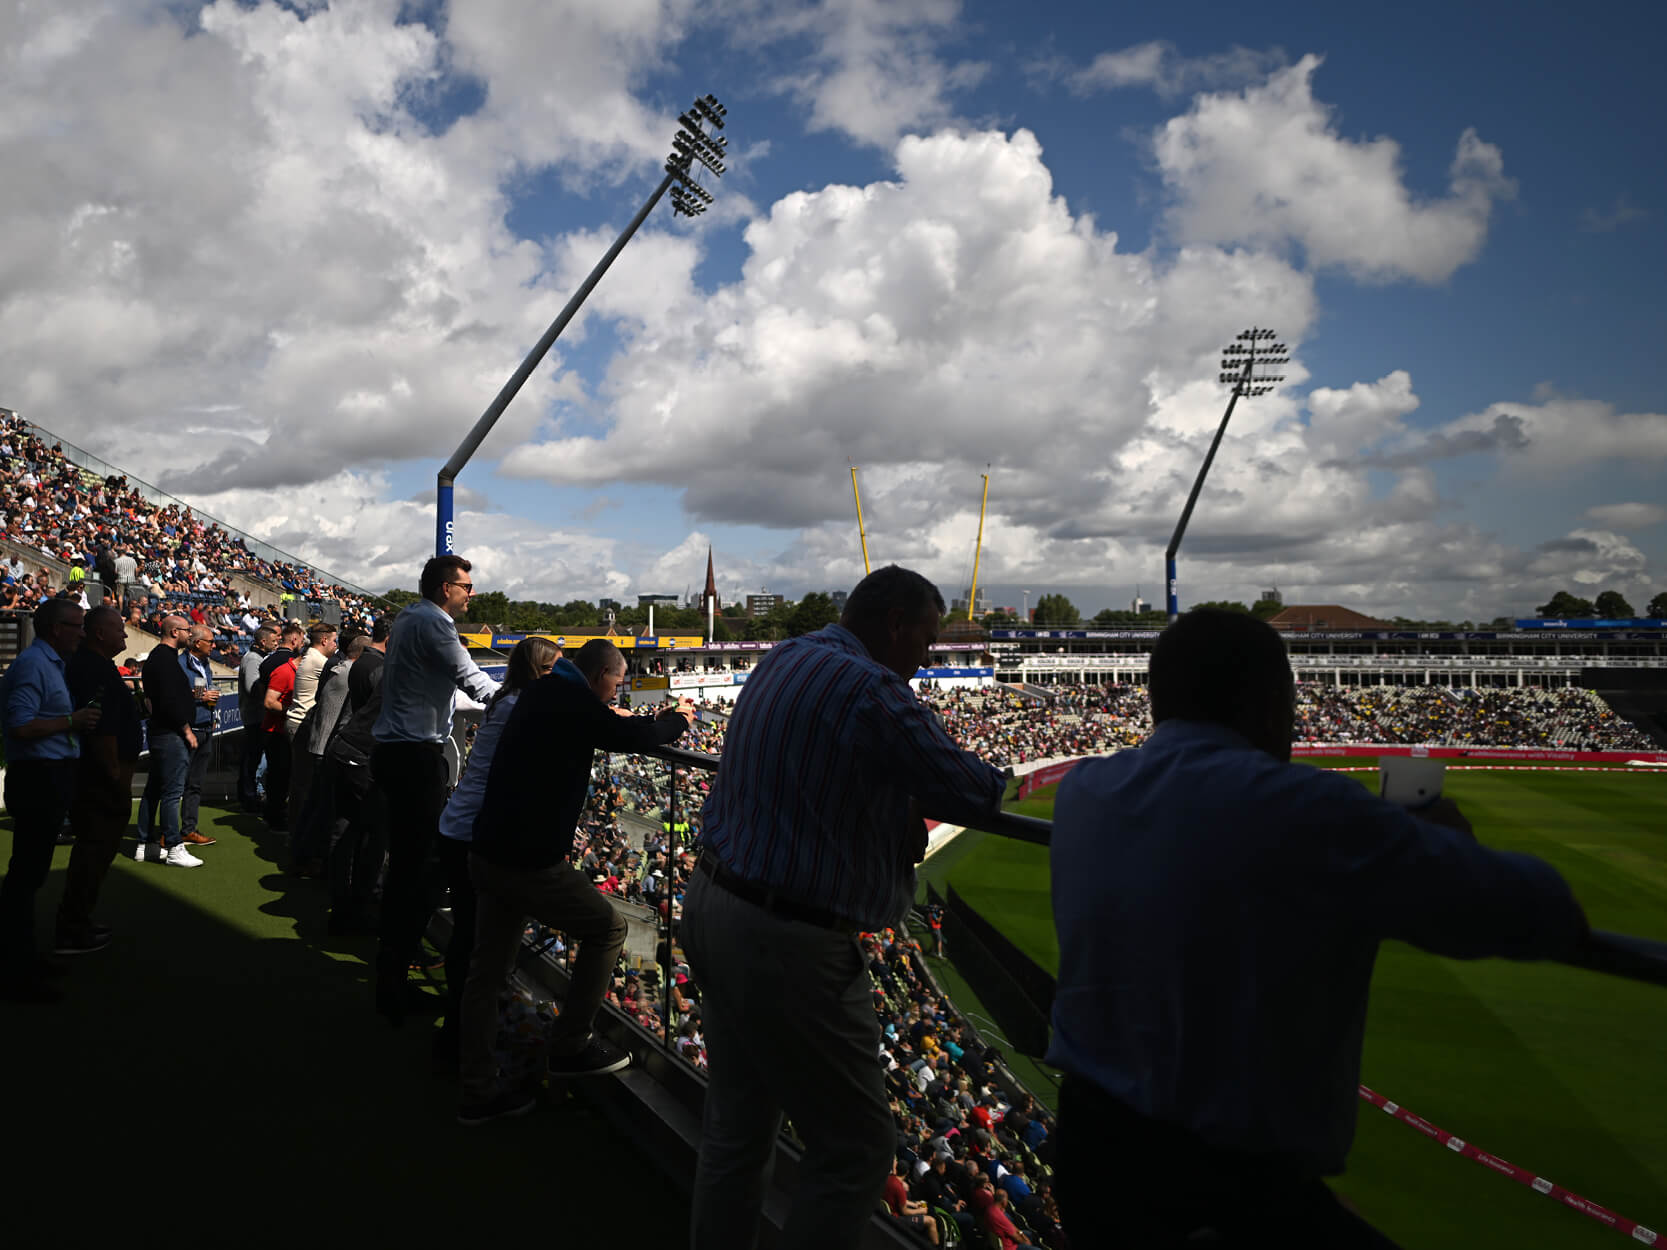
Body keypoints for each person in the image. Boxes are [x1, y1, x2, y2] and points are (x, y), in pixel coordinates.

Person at [1046, 609, 1591, 1249]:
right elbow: (1543, 912)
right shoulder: (1307, 807)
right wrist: (1435, 838)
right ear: (1269, 700)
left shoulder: (1083, 789)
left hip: (1091, 1154)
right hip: (1228, 1187)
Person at [683, 565, 1006, 1250]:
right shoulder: (872, 689)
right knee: (856, 1150)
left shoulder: (788, 656)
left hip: (715, 903)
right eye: (925, 639)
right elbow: (975, 790)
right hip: (788, 940)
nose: (926, 657)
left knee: (736, 1131)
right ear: (894, 624)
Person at [457, 639, 695, 1124]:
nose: (619, 689)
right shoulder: (570, 700)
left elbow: (606, 725)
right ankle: (569, 1044)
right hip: (528, 862)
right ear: (601, 674)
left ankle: (477, 1088)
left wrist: (627, 719)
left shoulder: (548, 694)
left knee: (486, 972)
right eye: (618, 680)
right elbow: (631, 739)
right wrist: (681, 720)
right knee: (607, 928)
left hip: (489, 850)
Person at [370, 556, 498, 1024]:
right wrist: (523, 697)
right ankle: (394, 986)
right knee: (417, 870)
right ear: (447, 588)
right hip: (414, 758)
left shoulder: (409, 617)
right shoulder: (436, 625)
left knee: (408, 868)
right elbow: (474, 680)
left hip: (397, 754)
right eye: (468, 586)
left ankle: (393, 974)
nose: (472, 594)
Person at [433, 635, 559, 1074]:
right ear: (539, 672)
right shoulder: (522, 707)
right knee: (479, 948)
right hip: (471, 834)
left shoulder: (507, 700)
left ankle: (459, 1034)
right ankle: (466, 1049)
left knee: (470, 941)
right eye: (553, 670)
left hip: (459, 827)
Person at [0, 598, 101, 1001]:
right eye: (77, 625)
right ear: (56, 628)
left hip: (48, 776)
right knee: (26, 878)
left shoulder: (48, 662)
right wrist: (71, 722)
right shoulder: (34, 665)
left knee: (31, 875)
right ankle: (16, 969)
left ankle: (24, 959)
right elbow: (20, 725)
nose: (82, 632)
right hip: (37, 778)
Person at [55, 605, 140, 955]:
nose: (125, 634)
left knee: (96, 854)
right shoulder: (91, 668)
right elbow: (99, 726)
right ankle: (72, 928)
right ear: (100, 634)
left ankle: (79, 920)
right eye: (120, 629)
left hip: (103, 775)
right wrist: (114, 772)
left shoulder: (99, 666)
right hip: (100, 779)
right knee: (93, 852)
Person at [326, 614, 391, 935]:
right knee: (370, 838)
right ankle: (357, 910)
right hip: (360, 757)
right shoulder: (385, 669)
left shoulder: (367, 664)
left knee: (347, 831)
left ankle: (343, 907)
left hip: (349, 750)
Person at [134, 614, 204, 867]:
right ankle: (174, 846)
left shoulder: (161, 658)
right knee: (172, 793)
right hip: (170, 734)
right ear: (175, 632)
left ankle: (145, 844)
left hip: (164, 732)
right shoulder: (163, 659)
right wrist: (186, 730)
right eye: (187, 631)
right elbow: (168, 701)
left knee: (154, 789)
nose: (190, 635)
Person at [285, 621, 337, 839]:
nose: (336, 645)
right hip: (302, 724)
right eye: (334, 640)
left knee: (302, 784)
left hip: (299, 723)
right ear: (324, 640)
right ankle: (298, 835)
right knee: (303, 786)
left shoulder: (312, 657)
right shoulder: (318, 660)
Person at [258, 620, 305, 831]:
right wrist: (293, 711)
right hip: (275, 731)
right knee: (278, 775)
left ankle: (275, 814)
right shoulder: (284, 671)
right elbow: (269, 701)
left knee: (282, 775)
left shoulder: (275, 664)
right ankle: (274, 817)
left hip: (279, 729)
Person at [178, 623, 219, 846]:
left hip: (205, 727)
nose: (213, 645)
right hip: (188, 729)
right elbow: (175, 694)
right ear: (196, 643)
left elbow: (203, 691)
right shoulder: (179, 664)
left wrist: (207, 704)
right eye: (210, 641)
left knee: (195, 783)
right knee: (177, 784)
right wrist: (199, 697)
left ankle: (188, 829)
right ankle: (169, 830)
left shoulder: (205, 664)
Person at [237, 624, 277, 810]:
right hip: (255, 716)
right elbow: (252, 688)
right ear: (263, 641)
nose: (276, 643)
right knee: (252, 760)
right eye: (273, 640)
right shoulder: (253, 659)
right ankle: (249, 797)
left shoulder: (257, 657)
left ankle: (249, 795)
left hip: (256, 715)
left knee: (253, 759)